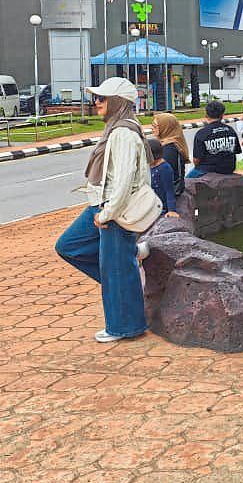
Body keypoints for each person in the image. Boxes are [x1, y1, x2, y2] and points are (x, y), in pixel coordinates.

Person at [54, 77, 150, 343]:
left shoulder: (123, 133)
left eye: (102, 98)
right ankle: (130, 263)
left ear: (118, 102)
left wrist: (108, 213)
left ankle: (125, 327)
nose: (96, 102)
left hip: (114, 209)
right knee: (69, 246)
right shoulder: (115, 128)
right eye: (96, 97)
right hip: (101, 203)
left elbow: (124, 180)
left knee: (115, 268)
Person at [187, 100, 241, 178]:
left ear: (206, 115)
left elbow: (196, 160)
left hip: (207, 170)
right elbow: (236, 151)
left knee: (186, 181)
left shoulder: (202, 133)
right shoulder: (230, 130)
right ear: (222, 115)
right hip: (229, 168)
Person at [151, 112, 188, 195]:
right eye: (152, 125)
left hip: (169, 192)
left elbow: (164, 174)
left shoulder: (169, 148)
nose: (152, 129)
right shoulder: (166, 143)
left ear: (165, 128)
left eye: (155, 126)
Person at [147, 138, 179, 217]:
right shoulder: (149, 166)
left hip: (159, 207)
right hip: (150, 203)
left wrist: (171, 210)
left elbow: (169, 190)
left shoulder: (164, 168)